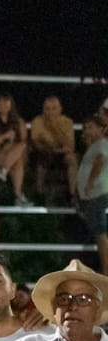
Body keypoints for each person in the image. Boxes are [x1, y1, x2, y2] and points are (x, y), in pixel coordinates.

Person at [29, 96, 78, 203]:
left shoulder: (67, 122)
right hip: (45, 153)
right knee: (43, 156)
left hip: (61, 154)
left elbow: (70, 146)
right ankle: (39, 194)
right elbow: (37, 144)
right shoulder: (37, 121)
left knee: (72, 158)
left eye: (54, 108)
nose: (50, 112)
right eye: (47, 108)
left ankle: (73, 195)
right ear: (43, 109)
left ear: (60, 109)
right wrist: (55, 148)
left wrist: (54, 128)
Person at [79, 116, 108, 273]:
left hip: (98, 195)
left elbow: (99, 161)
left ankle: (106, 272)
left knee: (101, 236)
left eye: (90, 127)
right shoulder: (95, 145)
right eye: (85, 128)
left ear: (101, 129)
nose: (86, 131)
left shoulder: (101, 144)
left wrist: (90, 183)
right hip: (96, 196)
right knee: (101, 235)